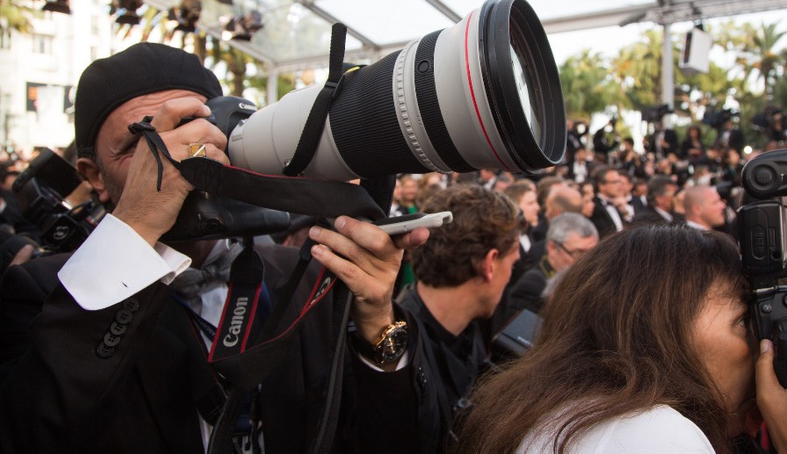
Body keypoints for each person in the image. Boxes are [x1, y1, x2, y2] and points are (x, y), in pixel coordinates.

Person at [0, 43, 429, 453]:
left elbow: (382, 439)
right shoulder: (43, 292)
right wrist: (137, 226)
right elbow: (31, 433)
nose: (176, 153)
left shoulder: (298, 273)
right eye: (140, 143)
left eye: (193, 129)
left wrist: (377, 324)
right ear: (94, 176)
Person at [455, 225, 787, 454]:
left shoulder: (585, 417)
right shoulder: (645, 434)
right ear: (658, 328)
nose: (765, 346)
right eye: (744, 322)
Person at [396, 183, 521, 452]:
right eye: (513, 264)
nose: (511, 275)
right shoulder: (394, 359)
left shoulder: (466, 328)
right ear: (490, 263)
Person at [506, 212, 598, 320]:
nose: (586, 262)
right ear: (552, 248)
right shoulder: (531, 287)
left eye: (592, 254)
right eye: (578, 253)